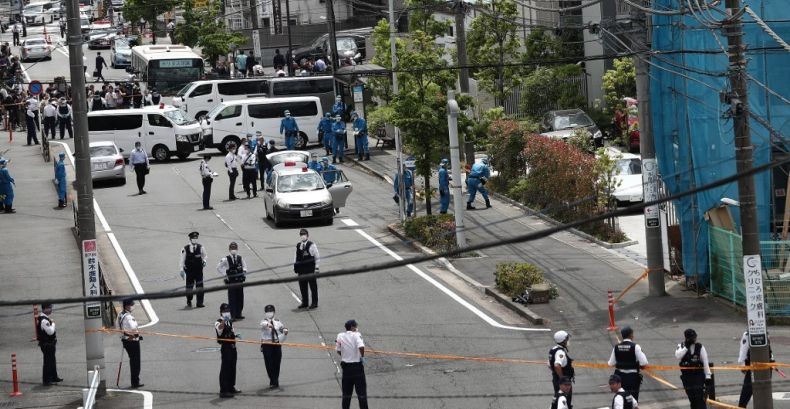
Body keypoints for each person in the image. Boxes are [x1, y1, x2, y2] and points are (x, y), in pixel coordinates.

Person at [608, 326, 648, 401]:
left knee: (620, 399)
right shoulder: (635, 347)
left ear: (622, 336)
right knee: (632, 400)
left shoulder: (616, 347)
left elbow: (610, 363)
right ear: (631, 335)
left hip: (620, 379)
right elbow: (644, 362)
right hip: (632, 378)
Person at [674, 328, 711, 409]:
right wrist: (686, 347)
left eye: (695, 337)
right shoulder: (681, 346)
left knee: (700, 399)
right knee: (692, 399)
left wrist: (708, 376)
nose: (694, 339)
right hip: (687, 377)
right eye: (692, 337)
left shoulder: (700, 347)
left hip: (698, 376)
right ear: (686, 338)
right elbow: (678, 356)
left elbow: (705, 362)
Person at [336, 319, 368, 409]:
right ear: (352, 327)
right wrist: (362, 356)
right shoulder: (356, 335)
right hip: (357, 368)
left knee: (346, 395)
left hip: (346, 368)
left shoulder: (340, 336)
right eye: (356, 326)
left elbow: (338, 350)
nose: (357, 328)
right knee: (361, 394)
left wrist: (345, 355)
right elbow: (361, 346)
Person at [738, 329, 774, 407]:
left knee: (764, 388)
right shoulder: (747, 334)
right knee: (748, 388)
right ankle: (741, 406)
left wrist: (772, 361)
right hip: (753, 366)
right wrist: (742, 364)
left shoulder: (765, 333)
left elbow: (769, 349)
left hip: (766, 366)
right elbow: (743, 350)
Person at [215, 303, 240, 398]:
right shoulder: (218, 321)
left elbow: (231, 331)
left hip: (232, 346)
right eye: (225, 311)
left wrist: (236, 335)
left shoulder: (229, 321)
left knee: (232, 367)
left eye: (228, 311)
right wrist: (224, 321)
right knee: (225, 369)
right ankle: (224, 390)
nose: (227, 313)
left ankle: (231, 387)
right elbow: (220, 329)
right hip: (226, 347)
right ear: (221, 312)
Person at [260, 304, 288, 388]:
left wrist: (285, 330)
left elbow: (281, 328)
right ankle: (273, 380)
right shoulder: (263, 321)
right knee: (269, 363)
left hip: (276, 344)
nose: (269, 313)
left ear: (274, 312)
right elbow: (263, 325)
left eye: (271, 311)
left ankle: (275, 379)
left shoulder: (277, 321)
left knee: (277, 362)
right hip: (267, 344)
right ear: (265, 313)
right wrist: (268, 325)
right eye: (268, 312)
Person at [217, 242, 247, 320]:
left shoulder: (240, 258)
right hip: (231, 282)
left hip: (239, 281)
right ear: (229, 249)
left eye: (235, 248)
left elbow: (245, 267)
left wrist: (243, 274)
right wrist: (225, 275)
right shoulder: (226, 259)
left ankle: (238, 313)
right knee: (232, 298)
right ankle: (232, 315)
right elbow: (219, 267)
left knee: (240, 298)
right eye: (232, 248)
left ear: (237, 249)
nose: (233, 250)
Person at [119, 299, 143, 388]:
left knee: (133, 361)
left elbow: (119, 327)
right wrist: (136, 332)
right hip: (132, 341)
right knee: (135, 362)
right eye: (131, 305)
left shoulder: (121, 315)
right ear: (126, 306)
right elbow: (133, 327)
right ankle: (135, 382)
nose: (132, 306)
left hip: (125, 340)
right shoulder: (128, 317)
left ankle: (135, 381)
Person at [294, 228, 320, 309]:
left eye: (304, 234)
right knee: (303, 287)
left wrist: (317, 268)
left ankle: (314, 303)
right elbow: (295, 257)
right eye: (301, 235)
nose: (303, 236)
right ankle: (305, 302)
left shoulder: (312, 245)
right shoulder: (299, 245)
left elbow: (317, 257)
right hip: (301, 270)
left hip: (310, 269)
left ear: (307, 236)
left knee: (313, 287)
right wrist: (295, 266)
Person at [180, 231, 207, 308]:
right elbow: (182, 260)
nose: (195, 239)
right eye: (193, 238)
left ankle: (199, 302)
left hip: (198, 270)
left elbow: (205, 256)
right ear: (190, 239)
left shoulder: (201, 247)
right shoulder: (185, 249)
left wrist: (204, 261)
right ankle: (189, 299)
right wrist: (181, 270)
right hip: (189, 271)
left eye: (196, 238)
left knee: (200, 286)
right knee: (189, 287)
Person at [37, 303, 63, 385]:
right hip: (47, 344)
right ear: (45, 309)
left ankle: (54, 377)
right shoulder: (44, 320)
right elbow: (50, 332)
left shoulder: (45, 318)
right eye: (50, 308)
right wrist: (53, 324)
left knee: (52, 361)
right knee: (48, 362)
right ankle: (47, 380)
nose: (51, 309)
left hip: (50, 344)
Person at [549, 330, 575, 406]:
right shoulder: (560, 352)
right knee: (565, 402)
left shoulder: (553, 349)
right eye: (566, 339)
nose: (568, 340)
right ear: (563, 341)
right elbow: (557, 365)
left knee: (558, 400)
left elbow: (550, 364)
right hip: (563, 383)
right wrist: (562, 379)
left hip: (557, 380)